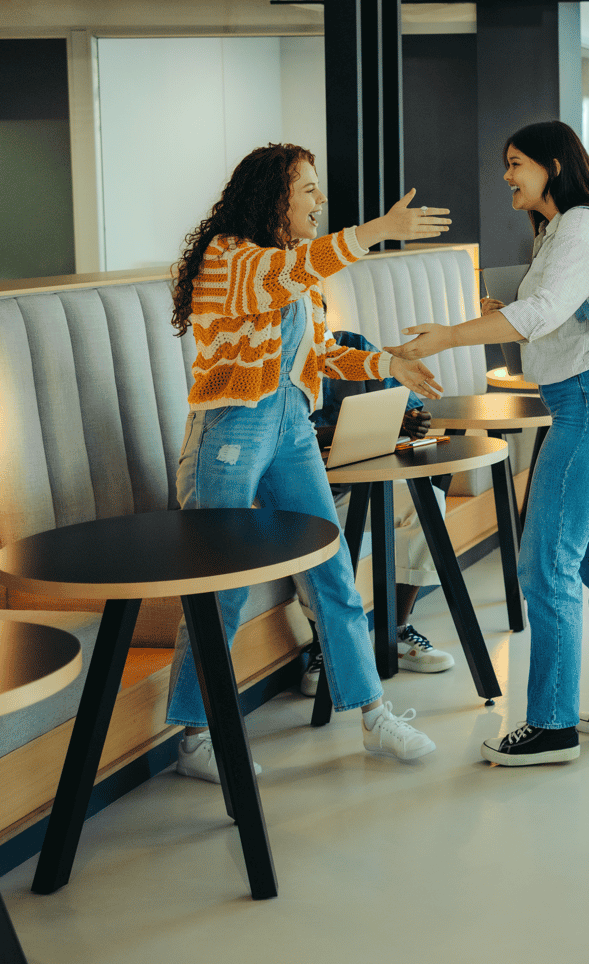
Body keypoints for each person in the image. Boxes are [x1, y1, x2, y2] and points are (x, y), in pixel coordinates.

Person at [384, 121, 589, 768]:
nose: (507, 175)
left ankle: (550, 724)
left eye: (516, 163)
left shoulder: (579, 226)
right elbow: (553, 316)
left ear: (553, 165)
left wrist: (448, 336)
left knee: (546, 565)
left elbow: (539, 314)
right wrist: (495, 311)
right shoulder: (571, 229)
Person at [166, 142, 450, 780]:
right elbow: (279, 276)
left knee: (331, 570)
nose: (319, 201)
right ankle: (193, 737)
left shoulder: (295, 271)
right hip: (232, 427)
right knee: (223, 583)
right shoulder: (230, 260)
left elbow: (319, 354)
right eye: (309, 190)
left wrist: (387, 365)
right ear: (275, 197)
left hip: (290, 424)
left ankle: (374, 715)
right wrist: (376, 232)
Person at [300, 327, 456, 696]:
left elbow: (403, 406)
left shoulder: (351, 347)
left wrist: (412, 420)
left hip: (364, 483)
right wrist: (339, 432)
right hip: (310, 492)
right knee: (306, 526)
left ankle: (397, 632)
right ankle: (324, 646)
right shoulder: (270, 360)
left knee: (427, 502)